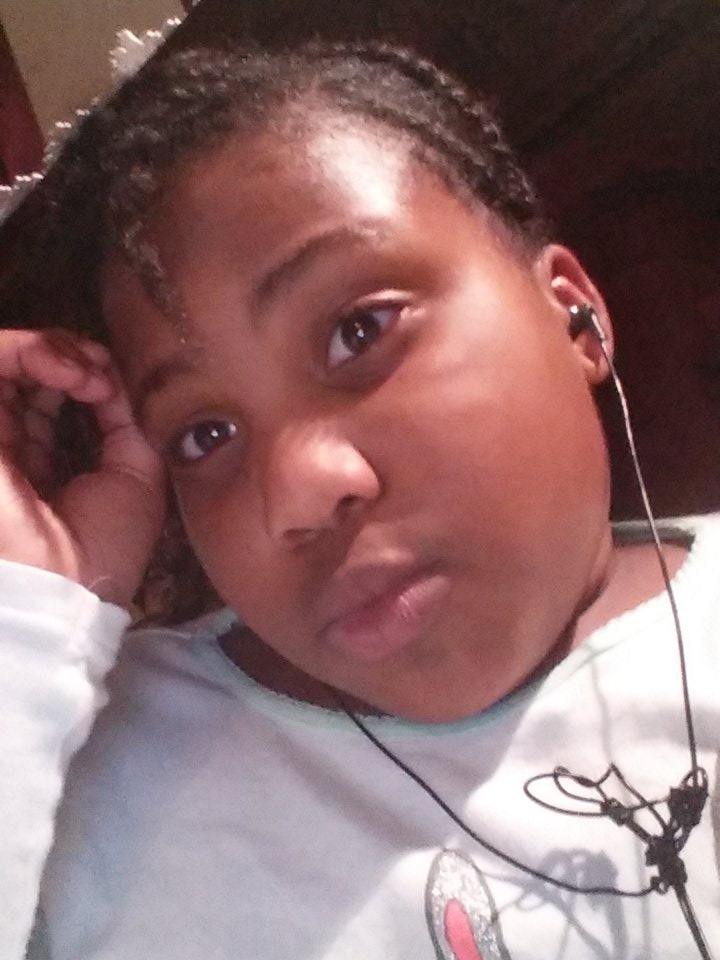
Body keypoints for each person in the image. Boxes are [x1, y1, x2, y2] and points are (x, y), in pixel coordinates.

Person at [0, 40, 717, 960]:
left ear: (574, 315)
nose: (298, 493)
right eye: (204, 436)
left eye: (359, 330)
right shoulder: (85, 758)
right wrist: (26, 615)